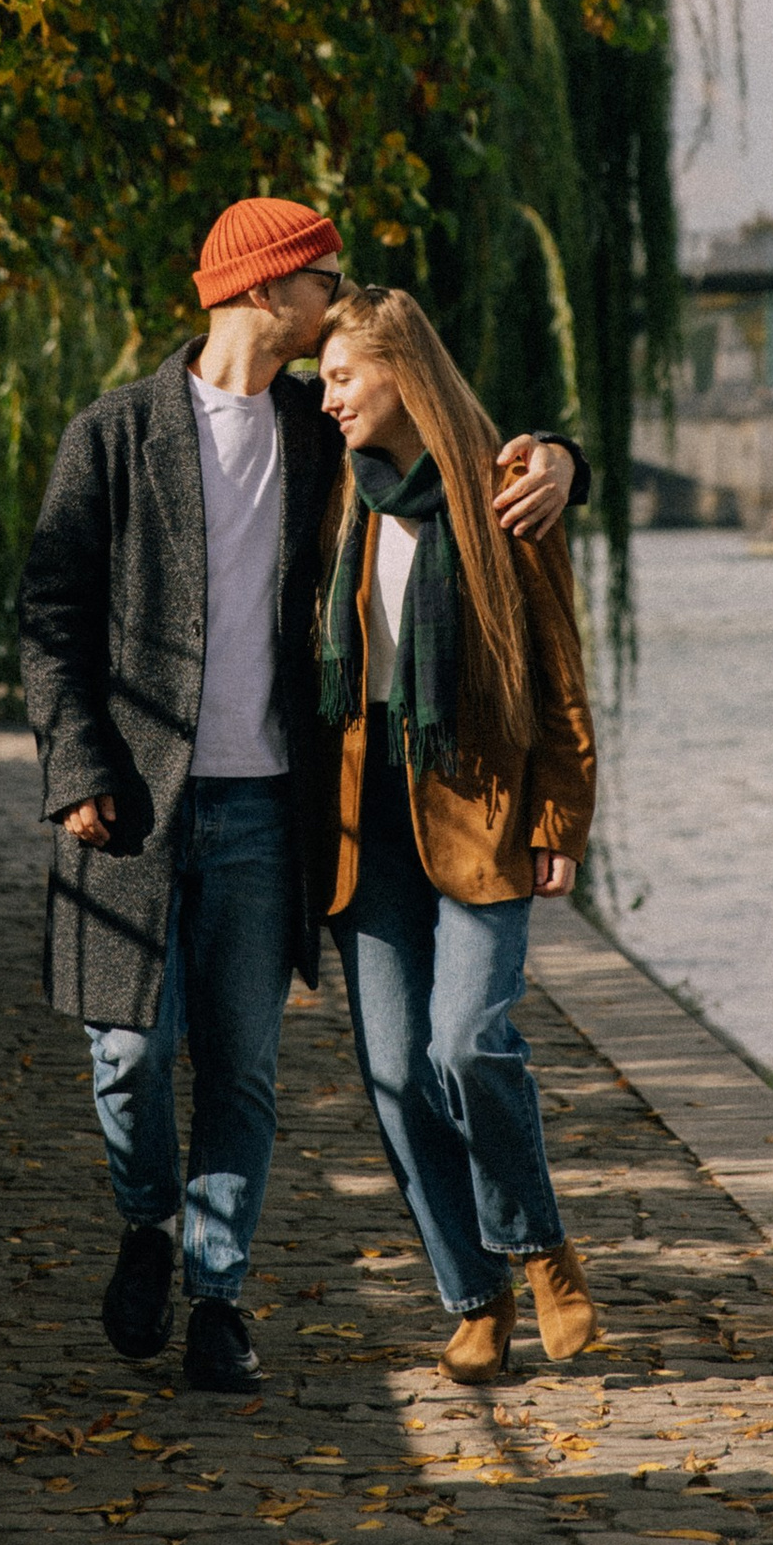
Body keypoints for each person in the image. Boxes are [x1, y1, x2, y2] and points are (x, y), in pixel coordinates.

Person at [18, 199, 585, 1397]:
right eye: (328, 279)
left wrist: (565, 460)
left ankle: (218, 1295)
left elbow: (448, 441)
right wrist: (75, 766)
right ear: (272, 290)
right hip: (132, 802)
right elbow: (51, 619)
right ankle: (146, 1222)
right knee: (125, 1056)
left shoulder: (321, 433)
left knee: (242, 1070)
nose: (344, 298)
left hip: (272, 810)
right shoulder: (113, 434)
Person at [312, 283, 601, 1388]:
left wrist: (560, 815)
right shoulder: (336, 492)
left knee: (465, 1041)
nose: (328, 397)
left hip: (475, 802)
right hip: (361, 818)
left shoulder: (503, 493)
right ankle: (472, 1296)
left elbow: (562, 677)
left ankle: (541, 1251)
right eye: (326, 378)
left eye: (345, 377)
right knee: (391, 1070)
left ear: (404, 372)